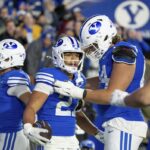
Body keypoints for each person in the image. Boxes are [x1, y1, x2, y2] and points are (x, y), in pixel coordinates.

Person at [53, 15, 148, 150]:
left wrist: (77, 91)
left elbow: (112, 95)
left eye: (93, 46)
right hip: (115, 121)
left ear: (105, 37)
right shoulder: (111, 54)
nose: (91, 51)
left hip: (125, 121)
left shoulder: (123, 51)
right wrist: (76, 82)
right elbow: (104, 81)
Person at [23, 36, 104, 149]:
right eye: (69, 55)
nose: (74, 59)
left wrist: (98, 134)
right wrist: (28, 128)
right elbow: (31, 107)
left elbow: (77, 114)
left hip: (71, 140)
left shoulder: (79, 79)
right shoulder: (50, 76)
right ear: (57, 55)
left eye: (77, 55)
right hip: (51, 141)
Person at [0, 39, 31, 150]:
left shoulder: (14, 76)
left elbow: (31, 103)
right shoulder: (4, 77)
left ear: (11, 58)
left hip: (10, 135)